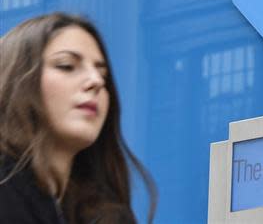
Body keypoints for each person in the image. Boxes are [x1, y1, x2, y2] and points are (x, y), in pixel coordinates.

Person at [0, 12, 157, 223]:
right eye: (66, 65)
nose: (96, 82)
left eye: (103, 75)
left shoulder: (108, 214)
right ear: (16, 82)